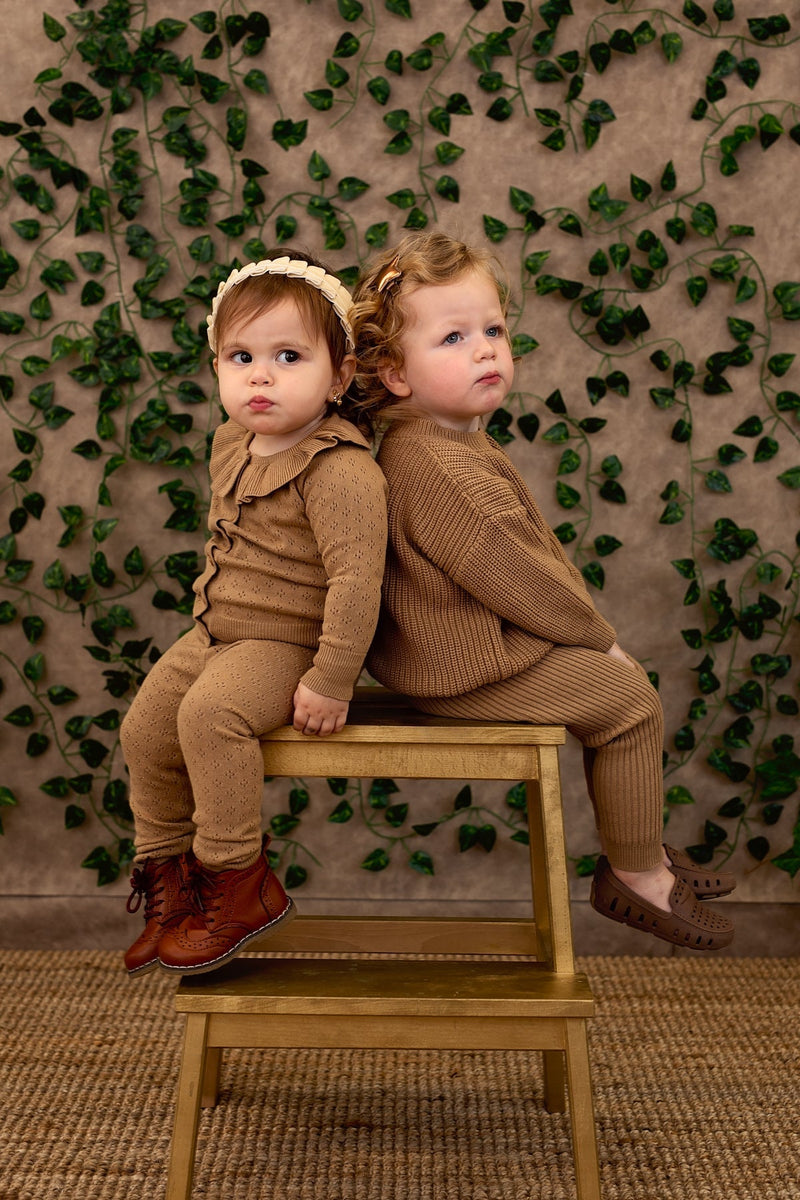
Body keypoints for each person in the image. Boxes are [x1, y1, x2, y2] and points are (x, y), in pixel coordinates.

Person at [350, 230, 735, 951]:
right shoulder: (437, 467)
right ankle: (635, 875)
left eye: (493, 330)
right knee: (627, 701)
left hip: (472, 647)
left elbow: (528, 561)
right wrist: (600, 641)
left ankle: (642, 850)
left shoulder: (452, 440)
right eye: (454, 338)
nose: (485, 350)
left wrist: (582, 635)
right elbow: (522, 580)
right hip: (459, 667)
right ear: (394, 373)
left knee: (614, 687)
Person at [121, 252, 387, 977]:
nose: (260, 376)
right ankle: (172, 885)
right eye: (241, 357)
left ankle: (237, 878)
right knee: (145, 729)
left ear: (339, 376)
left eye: (288, 357)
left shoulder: (340, 470)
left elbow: (357, 583)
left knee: (211, 717)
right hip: (214, 634)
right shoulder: (231, 443)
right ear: (217, 367)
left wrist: (331, 679)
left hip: (286, 644)